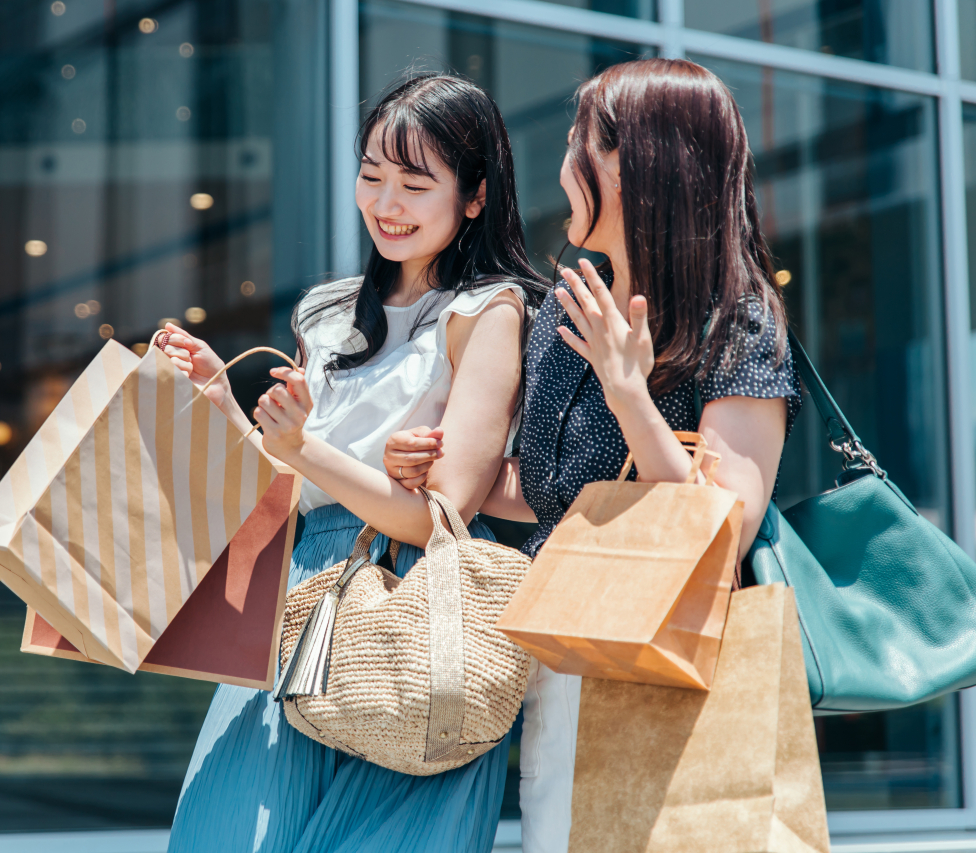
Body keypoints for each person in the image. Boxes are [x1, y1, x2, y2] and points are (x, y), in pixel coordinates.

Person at [383, 58, 803, 853]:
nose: (564, 160)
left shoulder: (736, 321)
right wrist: (440, 468)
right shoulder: (568, 306)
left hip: (672, 675)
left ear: (634, 163)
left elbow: (724, 529)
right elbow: (556, 496)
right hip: (566, 653)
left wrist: (628, 391)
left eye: (581, 139)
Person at [159, 72, 550, 853]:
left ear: (475, 197)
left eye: (415, 182)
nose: (386, 203)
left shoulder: (490, 313)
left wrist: (306, 447)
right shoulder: (328, 313)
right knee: (226, 833)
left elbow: (436, 516)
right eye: (372, 176)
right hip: (296, 601)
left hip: (419, 616)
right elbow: (291, 486)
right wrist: (225, 403)